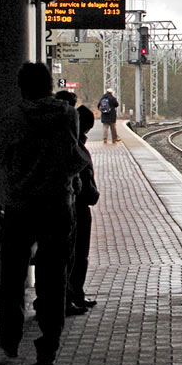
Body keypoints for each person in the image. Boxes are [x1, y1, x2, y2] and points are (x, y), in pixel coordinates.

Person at [0, 62, 86, 365]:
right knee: (53, 277)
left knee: (13, 277)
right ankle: (49, 342)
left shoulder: (11, 118)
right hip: (58, 205)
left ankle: (9, 337)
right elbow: (74, 157)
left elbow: (1, 159)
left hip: (20, 206)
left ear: (22, 87)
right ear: (49, 86)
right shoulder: (68, 115)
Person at [68, 105, 100, 313]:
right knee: (78, 255)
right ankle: (73, 295)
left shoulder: (72, 143)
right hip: (76, 208)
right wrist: (93, 195)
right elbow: (84, 179)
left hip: (67, 205)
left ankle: (72, 295)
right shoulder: (76, 147)